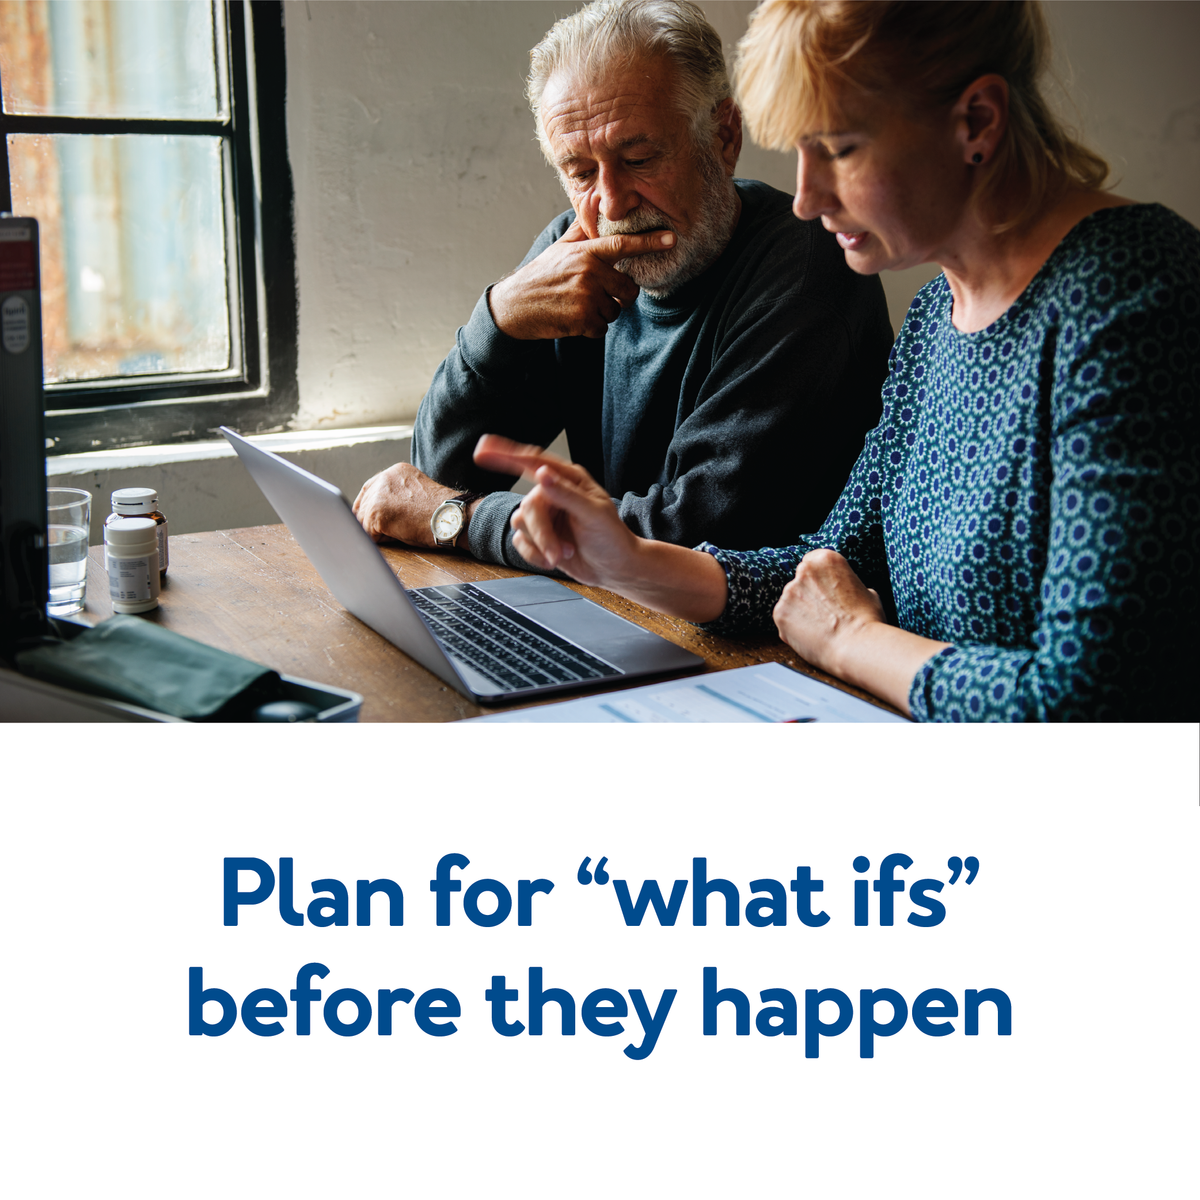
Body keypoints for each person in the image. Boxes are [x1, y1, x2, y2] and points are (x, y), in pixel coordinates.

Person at [474, 0, 1199, 721]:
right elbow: (834, 560)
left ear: (976, 121)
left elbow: (1091, 700)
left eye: (841, 148)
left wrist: (854, 639)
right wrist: (625, 561)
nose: (806, 197)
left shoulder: (1132, 295)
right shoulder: (937, 315)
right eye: (799, 149)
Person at [353, 0, 892, 567]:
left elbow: (691, 534)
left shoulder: (808, 271)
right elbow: (440, 470)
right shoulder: (575, 254)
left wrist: (460, 521)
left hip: (763, 638)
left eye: (638, 158)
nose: (611, 202)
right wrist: (499, 317)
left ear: (724, 137)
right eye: (580, 172)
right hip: (622, 611)